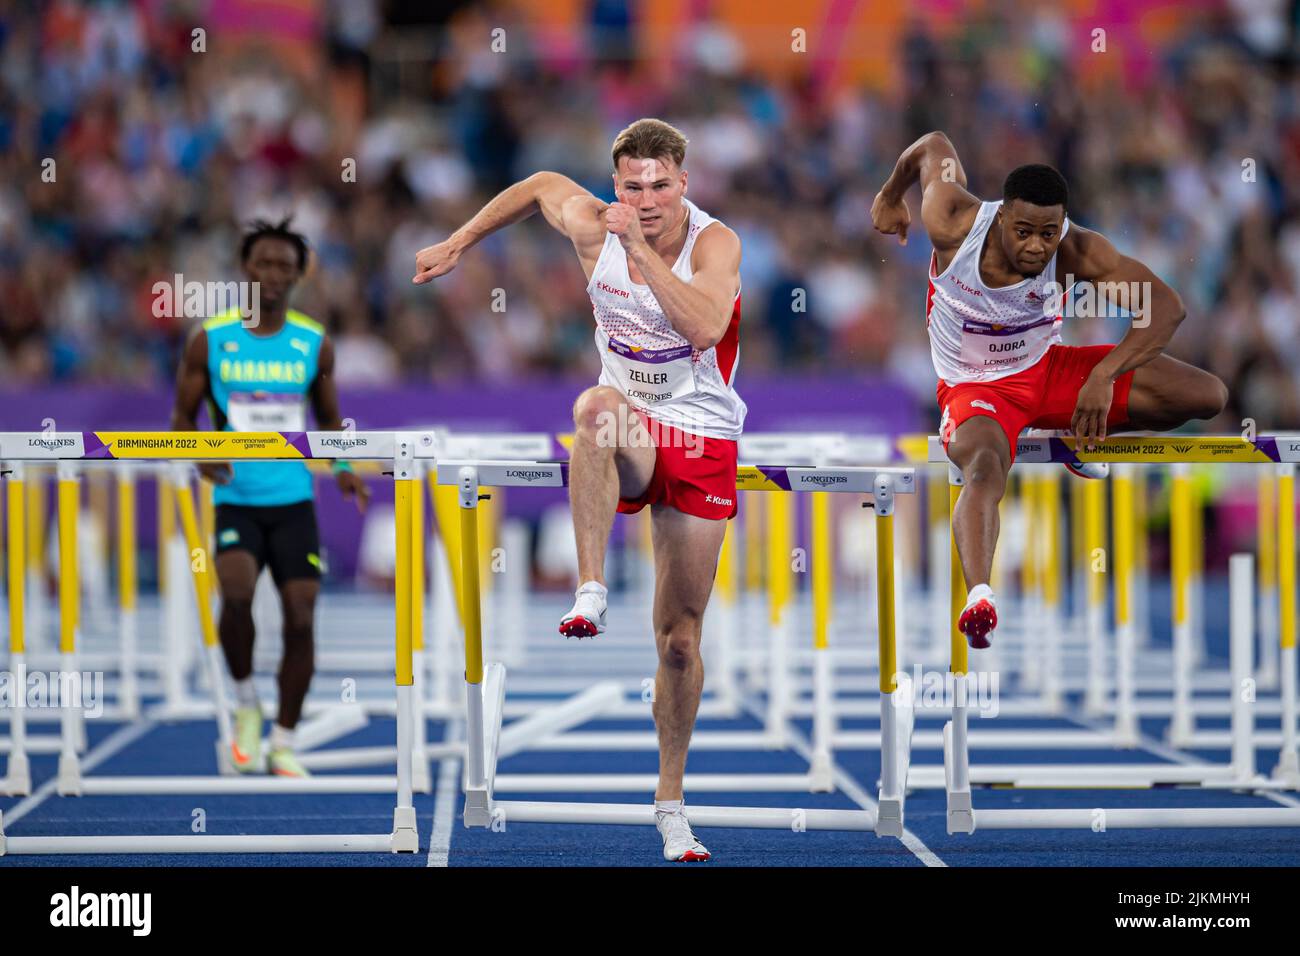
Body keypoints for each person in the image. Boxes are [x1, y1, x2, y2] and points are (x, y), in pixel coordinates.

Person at [414, 118, 744, 862]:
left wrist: (635, 249)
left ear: (683, 184)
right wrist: (460, 243)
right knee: (593, 409)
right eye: (634, 186)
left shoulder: (714, 244)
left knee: (681, 643)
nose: (649, 198)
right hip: (628, 424)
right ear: (616, 187)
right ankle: (590, 586)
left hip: (700, 434)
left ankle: (670, 801)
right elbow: (534, 187)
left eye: (662, 185)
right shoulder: (589, 222)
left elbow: (702, 327)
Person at [872, 131, 1228, 649]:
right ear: (999, 219)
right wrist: (888, 194)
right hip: (977, 390)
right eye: (1024, 232)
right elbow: (933, 145)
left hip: (1051, 371)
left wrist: (1103, 376)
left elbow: (1166, 308)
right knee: (985, 467)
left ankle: (1078, 425)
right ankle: (981, 596)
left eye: (1049, 233)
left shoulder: (1078, 249)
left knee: (1205, 395)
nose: (1037, 246)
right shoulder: (950, 218)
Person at [171, 217, 370, 777]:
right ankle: (245, 705)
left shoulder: (313, 342)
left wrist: (345, 466)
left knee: (301, 618)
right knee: (235, 596)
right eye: (265, 263)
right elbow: (181, 419)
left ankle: (283, 737)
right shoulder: (210, 340)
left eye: (286, 266)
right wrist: (201, 451)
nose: (274, 275)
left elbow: (330, 423)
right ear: (246, 268)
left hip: (292, 502)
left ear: (299, 274)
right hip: (236, 497)